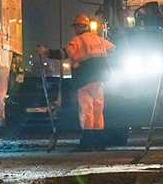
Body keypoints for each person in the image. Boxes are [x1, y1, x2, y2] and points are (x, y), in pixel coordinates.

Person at [37, 14, 115, 151]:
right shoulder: (99, 39)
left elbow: (64, 54)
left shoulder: (78, 40)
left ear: (79, 26)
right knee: (98, 111)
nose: (75, 29)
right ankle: (99, 143)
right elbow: (112, 48)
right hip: (100, 80)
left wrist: (45, 51)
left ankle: (87, 143)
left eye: (75, 26)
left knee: (87, 111)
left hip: (84, 79)